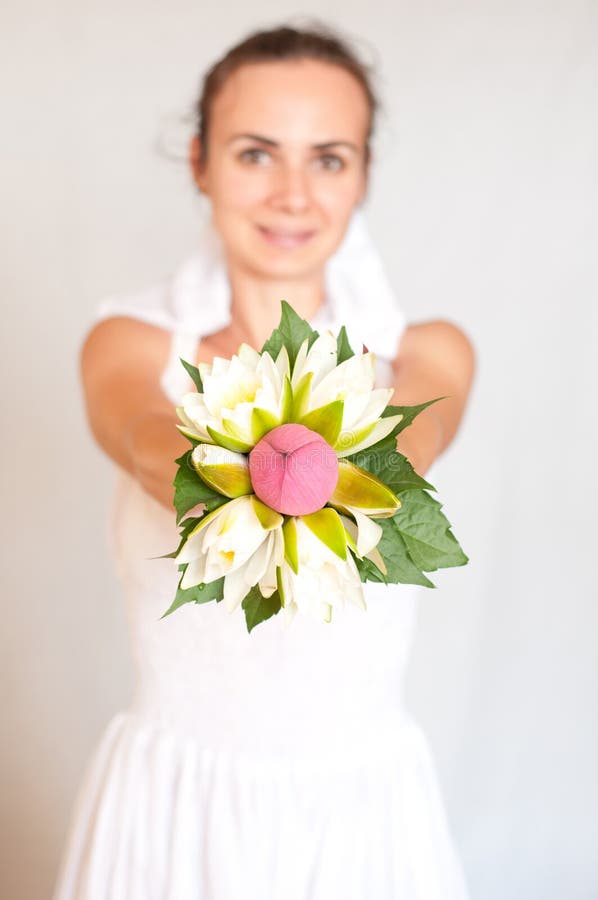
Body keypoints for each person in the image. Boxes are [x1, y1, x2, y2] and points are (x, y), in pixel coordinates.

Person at [52, 22, 475, 900]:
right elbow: (142, 434)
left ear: (361, 174)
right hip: (174, 807)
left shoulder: (425, 352)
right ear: (200, 163)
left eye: (327, 158)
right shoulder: (130, 340)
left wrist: (341, 462)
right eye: (255, 154)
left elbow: (408, 446)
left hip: (364, 815)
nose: (292, 194)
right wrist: (255, 472)